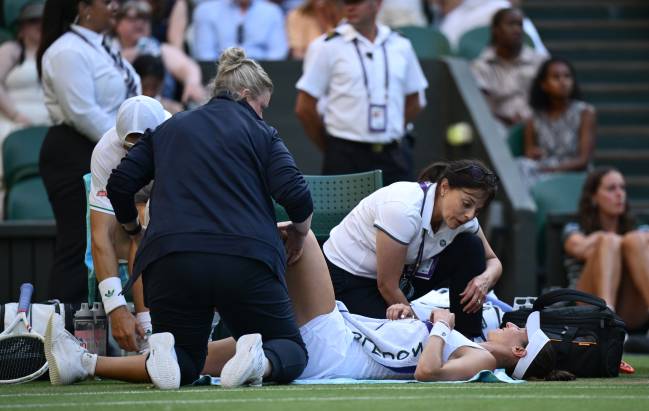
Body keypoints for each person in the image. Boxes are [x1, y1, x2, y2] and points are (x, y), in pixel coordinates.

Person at [43, 228, 569, 386]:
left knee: (303, 232)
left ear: (519, 348)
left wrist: (438, 325)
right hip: (337, 335)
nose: (513, 325)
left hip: (332, 345)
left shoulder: (486, 358)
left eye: (521, 330)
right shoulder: (480, 347)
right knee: (188, 360)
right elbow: (411, 354)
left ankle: (213, 243)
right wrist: (407, 319)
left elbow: (429, 373)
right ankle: (85, 364)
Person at [94, 47, 313, 389]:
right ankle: (260, 359)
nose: (263, 116)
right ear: (245, 95)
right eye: (262, 107)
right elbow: (297, 196)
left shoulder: (169, 127)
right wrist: (299, 235)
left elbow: (120, 183)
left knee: (188, 362)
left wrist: (131, 226)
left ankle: (170, 354)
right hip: (244, 258)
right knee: (291, 349)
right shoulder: (261, 133)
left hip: (171, 261)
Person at [323, 159, 502, 340]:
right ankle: (446, 346)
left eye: (477, 210)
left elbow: (493, 261)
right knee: (404, 338)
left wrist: (484, 280)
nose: (470, 215)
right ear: (445, 187)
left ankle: (467, 338)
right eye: (466, 203)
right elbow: (387, 285)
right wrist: (425, 330)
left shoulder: (462, 218)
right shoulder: (403, 209)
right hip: (350, 280)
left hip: (403, 276)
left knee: (471, 246)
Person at [37, 0, 141, 303]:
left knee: (110, 241)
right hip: (74, 151)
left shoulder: (103, 47)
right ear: (84, 7)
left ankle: (107, 327)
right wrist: (128, 145)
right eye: (106, 1)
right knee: (78, 242)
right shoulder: (67, 50)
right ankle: (63, 327)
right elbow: (82, 112)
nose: (115, 6)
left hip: (108, 149)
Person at [295, 0, 428, 185]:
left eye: (357, 1)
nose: (349, 6)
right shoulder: (326, 46)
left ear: (378, 4)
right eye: (345, 2)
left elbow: (416, 100)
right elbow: (304, 108)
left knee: (400, 212)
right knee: (343, 215)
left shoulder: (401, 44)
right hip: (345, 155)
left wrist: (392, 126)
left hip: (394, 154)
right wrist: (332, 147)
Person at [89, 95, 169, 352]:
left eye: (144, 149)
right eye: (129, 149)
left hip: (163, 218)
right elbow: (101, 237)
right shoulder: (105, 151)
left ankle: (149, 327)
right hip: (126, 220)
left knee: (147, 221)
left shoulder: (180, 140)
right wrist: (116, 310)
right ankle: (149, 334)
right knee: (136, 225)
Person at [563, 168, 649, 331]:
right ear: (594, 197)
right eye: (611, 188)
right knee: (610, 241)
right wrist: (603, 240)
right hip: (587, 306)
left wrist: (632, 245)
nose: (619, 194)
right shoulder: (575, 228)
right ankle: (606, 316)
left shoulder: (637, 231)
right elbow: (579, 248)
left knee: (634, 240)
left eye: (622, 188)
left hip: (631, 309)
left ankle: (611, 320)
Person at [0, 1, 50, 218]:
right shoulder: (12, 50)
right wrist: (15, 115)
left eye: (42, 20)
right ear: (21, 27)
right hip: (13, 120)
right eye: (32, 21)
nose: (38, 25)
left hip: (51, 123)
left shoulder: (56, 52)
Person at [517, 58, 596, 190]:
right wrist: (534, 153)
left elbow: (584, 160)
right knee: (520, 165)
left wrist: (552, 170)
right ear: (544, 85)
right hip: (543, 172)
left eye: (567, 76)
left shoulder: (585, 112)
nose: (563, 82)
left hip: (574, 174)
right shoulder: (533, 117)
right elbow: (529, 154)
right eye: (556, 77)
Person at [112, 0, 206, 106]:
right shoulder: (107, 49)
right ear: (117, 23)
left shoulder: (160, 49)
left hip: (160, 106)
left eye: (144, 18)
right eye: (133, 19)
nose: (139, 23)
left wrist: (192, 83)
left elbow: (188, 67)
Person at [471, 7, 546, 127]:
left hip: (536, 125)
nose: (517, 29)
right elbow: (481, 107)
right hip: (497, 127)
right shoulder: (480, 66)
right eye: (511, 24)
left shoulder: (540, 62)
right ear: (496, 30)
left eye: (520, 25)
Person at [192, 0, 288, 62]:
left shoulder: (272, 12)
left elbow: (278, 53)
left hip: (262, 77)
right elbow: (205, 55)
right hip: (220, 75)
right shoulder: (205, 11)